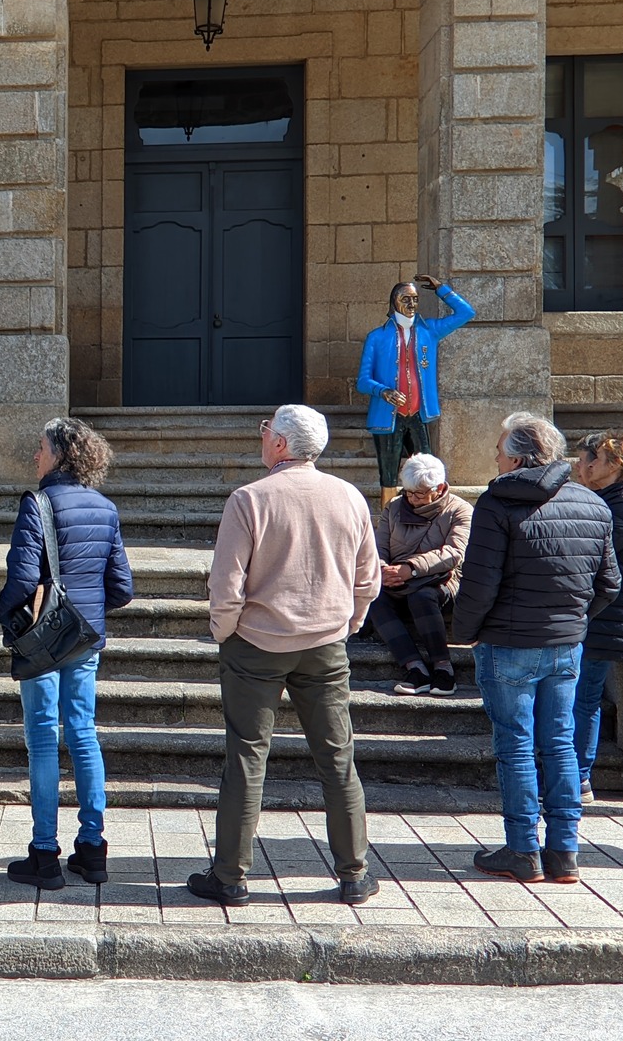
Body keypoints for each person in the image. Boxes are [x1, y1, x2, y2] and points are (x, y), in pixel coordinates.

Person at [192, 405, 380, 908]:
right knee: (337, 758)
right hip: (324, 642)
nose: (262, 438)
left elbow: (226, 585)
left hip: (256, 641)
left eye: (265, 431)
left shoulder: (249, 499)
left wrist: (223, 633)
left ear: (279, 445)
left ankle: (230, 876)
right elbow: (368, 577)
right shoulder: (349, 496)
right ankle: (354, 873)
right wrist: (350, 622)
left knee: (247, 757)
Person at [452, 413, 618, 886]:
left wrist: (464, 632)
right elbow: (610, 583)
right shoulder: (591, 502)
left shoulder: (496, 502)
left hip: (507, 644)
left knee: (517, 747)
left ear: (521, 456)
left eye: (500, 449)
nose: (495, 457)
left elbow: (479, 585)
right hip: (566, 643)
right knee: (560, 744)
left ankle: (523, 850)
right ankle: (564, 851)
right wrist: (575, 619)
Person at [0, 417, 133, 890]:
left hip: (43, 642)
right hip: (86, 638)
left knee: (41, 740)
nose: (35, 456)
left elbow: (19, 578)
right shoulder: (105, 507)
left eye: (40, 448)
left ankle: (45, 852)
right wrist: (88, 611)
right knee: (83, 733)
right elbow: (122, 587)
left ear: (60, 455)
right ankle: (93, 850)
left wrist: (8, 619)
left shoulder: (38, 504)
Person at [569, 430, 623, 801]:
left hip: (608, 614)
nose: (588, 465)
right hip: (600, 613)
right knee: (579, 694)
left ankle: (579, 777)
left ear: (616, 465)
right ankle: (574, 773)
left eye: (596, 460)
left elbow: (597, 561)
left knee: (583, 696)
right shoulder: (609, 498)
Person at [356, 273, 476, 507]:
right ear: (394, 301)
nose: (411, 304)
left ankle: (427, 512)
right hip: (388, 415)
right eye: (405, 299)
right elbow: (362, 380)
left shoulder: (429, 330)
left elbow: (466, 313)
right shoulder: (377, 337)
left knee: (426, 471)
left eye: (415, 299)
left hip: (418, 414)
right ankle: (388, 519)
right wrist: (383, 391)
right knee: (388, 474)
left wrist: (441, 289)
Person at [367, 453, 473, 697]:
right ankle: (414, 667)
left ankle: (443, 667)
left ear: (440, 488)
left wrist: (410, 569)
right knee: (374, 596)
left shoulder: (460, 510)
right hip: (395, 583)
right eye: (409, 493)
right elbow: (379, 545)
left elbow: (455, 553)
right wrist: (383, 569)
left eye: (420, 493)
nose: (413, 499)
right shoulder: (394, 506)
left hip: (442, 583)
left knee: (422, 596)